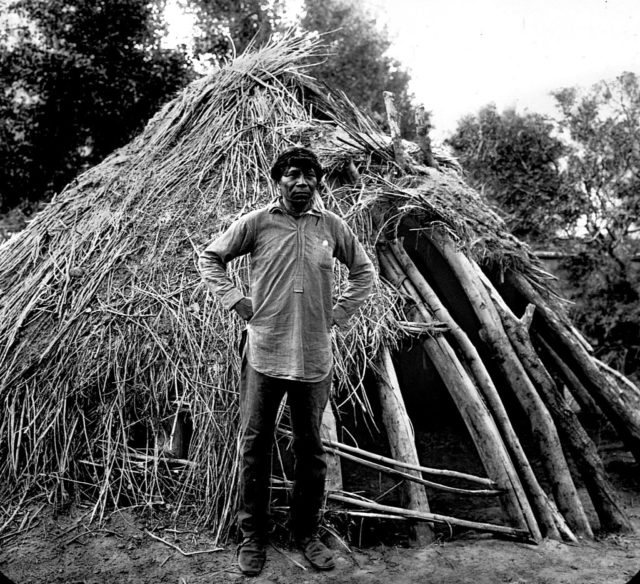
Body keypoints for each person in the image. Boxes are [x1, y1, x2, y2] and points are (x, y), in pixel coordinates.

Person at [198, 146, 375, 576]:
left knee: (310, 451)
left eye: (308, 176)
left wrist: (338, 314)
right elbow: (210, 257)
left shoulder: (332, 227)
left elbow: (364, 272)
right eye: (291, 175)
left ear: (318, 183)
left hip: (314, 356)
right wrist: (235, 300)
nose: (301, 183)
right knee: (255, 446)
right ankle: (253, 537)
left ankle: (306, 534)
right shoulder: (258, 223)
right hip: (265, 351)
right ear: (277, 181)